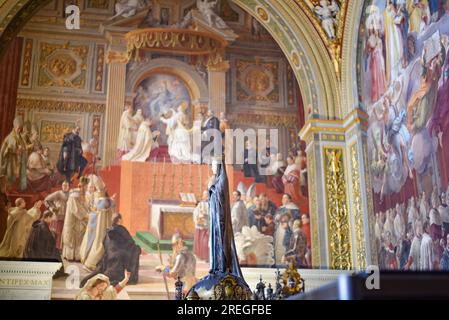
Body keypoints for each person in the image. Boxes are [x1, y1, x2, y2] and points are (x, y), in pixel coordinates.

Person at [80, 213, 140, 287]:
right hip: (119, 257)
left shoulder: (108, 229)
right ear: (119, 220)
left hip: (108, 256)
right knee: (136, 249)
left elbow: (104, 243)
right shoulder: (121, 229)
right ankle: (130, 276)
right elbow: (130, 242)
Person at [80, 191, 115, 271]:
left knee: (99, 243)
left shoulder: (100, 200)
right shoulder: (106, 201)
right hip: (103, 225)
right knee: (100, 245)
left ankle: (93, 264)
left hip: (101, 225)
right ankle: (90, 264)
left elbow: (95, 211)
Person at [62, 177, 89, 261]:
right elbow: (76, 210)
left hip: (78, 221)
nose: (86, 189)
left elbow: (85, 207)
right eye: (85, 187)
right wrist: (87, 216)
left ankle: (77, 256)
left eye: (86, 187)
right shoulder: (74, 196)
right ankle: (71, 256)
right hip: (72, 221)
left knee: (79, 237)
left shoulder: (83, 195)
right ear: (81, 186)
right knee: (72, 238)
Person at [0, 116, 27, 191]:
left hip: (18, 161)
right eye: (18, 128)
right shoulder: (10, 137)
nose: (19, 130)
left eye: (20, 128)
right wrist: (15, 151)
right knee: (10, 176)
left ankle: (15, 190)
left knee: (17, 177)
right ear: (15, 126)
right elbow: (3, 151)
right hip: (10, 161)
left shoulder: (19, 137)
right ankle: (9, 191)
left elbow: (23, 146)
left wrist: (22, 150)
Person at [45, 181, 70, 250]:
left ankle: (61, 248)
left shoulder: (70, 194)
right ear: (62, 186)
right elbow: (47, 200)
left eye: (66, 185)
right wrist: (52, 208)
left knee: (64, 232)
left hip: (67, 217)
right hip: (58, 216)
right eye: (63, 185)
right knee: (56, 232)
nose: (65, 187)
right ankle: (54, 248)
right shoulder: (58, 193)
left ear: (68, 186)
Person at [193, 190, 210, 262]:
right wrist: (197, 218)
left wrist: (206, 216)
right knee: (199, 241)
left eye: (206, 195)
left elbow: (212, 215)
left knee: (205, 242)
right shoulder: (200, 204)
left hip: (207, 226)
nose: (204, 196)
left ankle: (206, 257)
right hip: (200, 225)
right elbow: (195, 213)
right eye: (204, 195)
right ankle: (199, 256)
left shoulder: (211, 204)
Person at [0, 176, 9, 243]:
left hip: (4, 214)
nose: (5, 184)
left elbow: (8, 200)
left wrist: (8, 205)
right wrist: (4, 208)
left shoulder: (3, 191)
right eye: (3, 183)